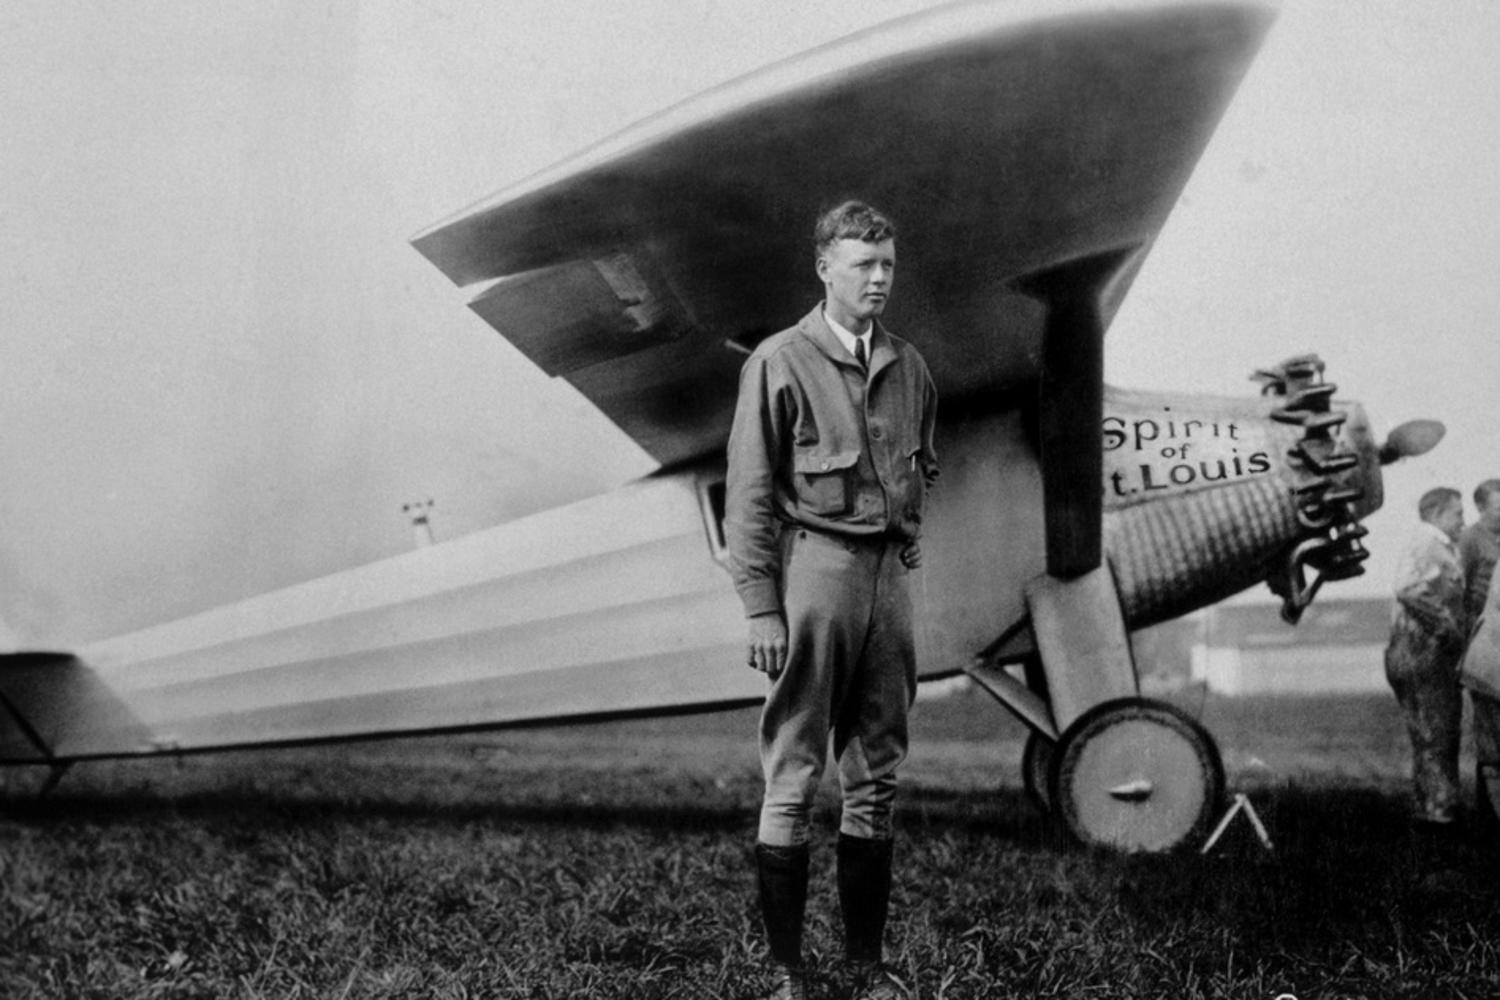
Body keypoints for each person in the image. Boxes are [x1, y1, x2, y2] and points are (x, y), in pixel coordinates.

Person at [725, 201, 937, 1000]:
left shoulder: (910, 366)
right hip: (815, 574)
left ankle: (865, 968)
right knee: (795, 770)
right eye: (862, 265)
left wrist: (908, 532)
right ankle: (787, 975)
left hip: (889, 582)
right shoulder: (779, 362)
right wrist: (760, 606)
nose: (879, 279)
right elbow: (749, 494)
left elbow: (919, 465)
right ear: (825, 269)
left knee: (876, 773)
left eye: (888, 265)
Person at [1384, 486, 1466, 827]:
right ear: (1436, 514)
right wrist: (1445, 625)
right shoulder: (1427, 543)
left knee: (1431, 733)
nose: (1463, 521)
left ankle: (1430, 807)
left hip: (1423, 651)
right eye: (1457, 514)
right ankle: (1438, 812)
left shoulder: (1437, 545)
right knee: (1436, 733)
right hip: (1421, 651)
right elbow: (1406, 587)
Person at [1459, 478, 1500, 818]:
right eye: (1499, 506)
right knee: (1490, 735)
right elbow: (1461, 589)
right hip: (1484, 634)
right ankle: (1488, 814)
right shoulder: (1470, 539)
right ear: (1482, 508)